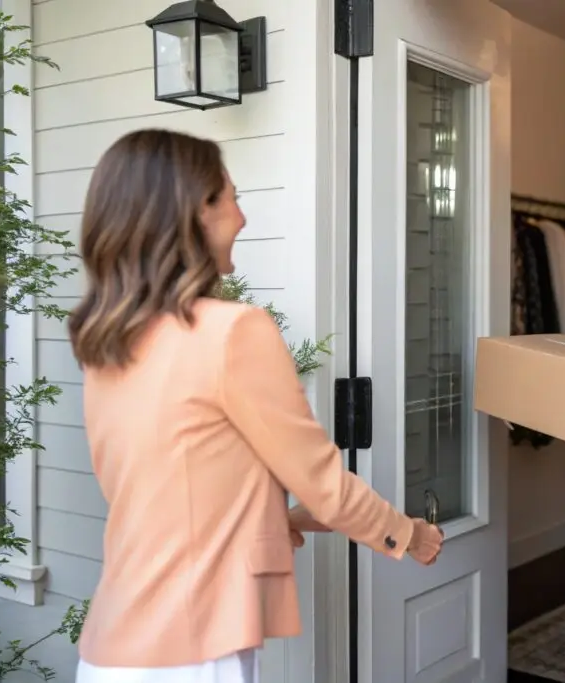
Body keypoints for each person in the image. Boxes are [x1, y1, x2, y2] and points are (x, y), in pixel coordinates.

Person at [68, 129, 444, 683]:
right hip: (193, 650)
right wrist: (408, 534)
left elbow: (172, 500)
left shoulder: (106, 341)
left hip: (111, 651)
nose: (242, 217)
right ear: (197, 212)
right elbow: (322, 482)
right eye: (232, 198)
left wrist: (275, 518)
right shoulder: (232, 330)